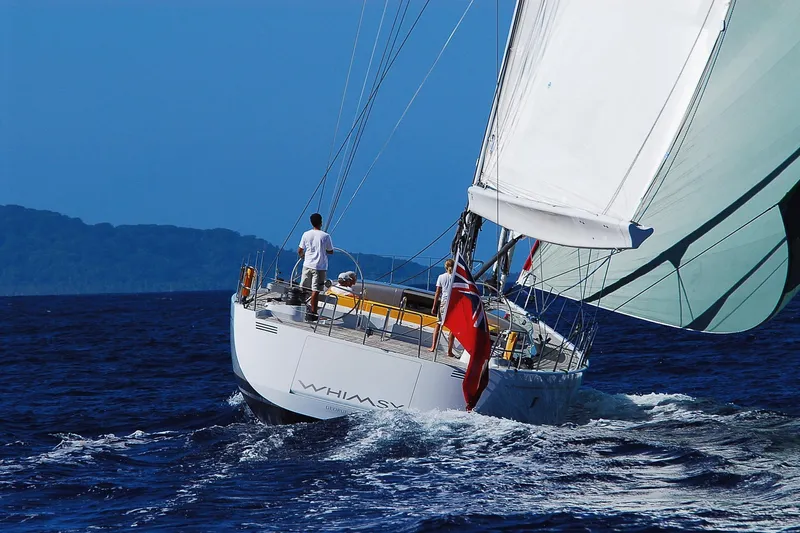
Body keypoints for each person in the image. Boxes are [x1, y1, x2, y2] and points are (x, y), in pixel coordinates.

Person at [298, 213, 333, 321]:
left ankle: (300, 307)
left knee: (304, 287)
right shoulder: (325, 236)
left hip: (307, 265)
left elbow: (300, 250)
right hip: (319, 266)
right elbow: (330, 251)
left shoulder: (306, 234)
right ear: (321, 222)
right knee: (315, 290)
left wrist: (304, 257)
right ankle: (313, 312)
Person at [429, 259, 455, 357]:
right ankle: (449, 351)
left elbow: (437, 293)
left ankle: (433, 346)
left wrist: (434, 306)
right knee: (452, 328)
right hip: (453, 304)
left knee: (438, 325)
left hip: (444, 303)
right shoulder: (456, 278)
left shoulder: (441, 277)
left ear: (445, 267)